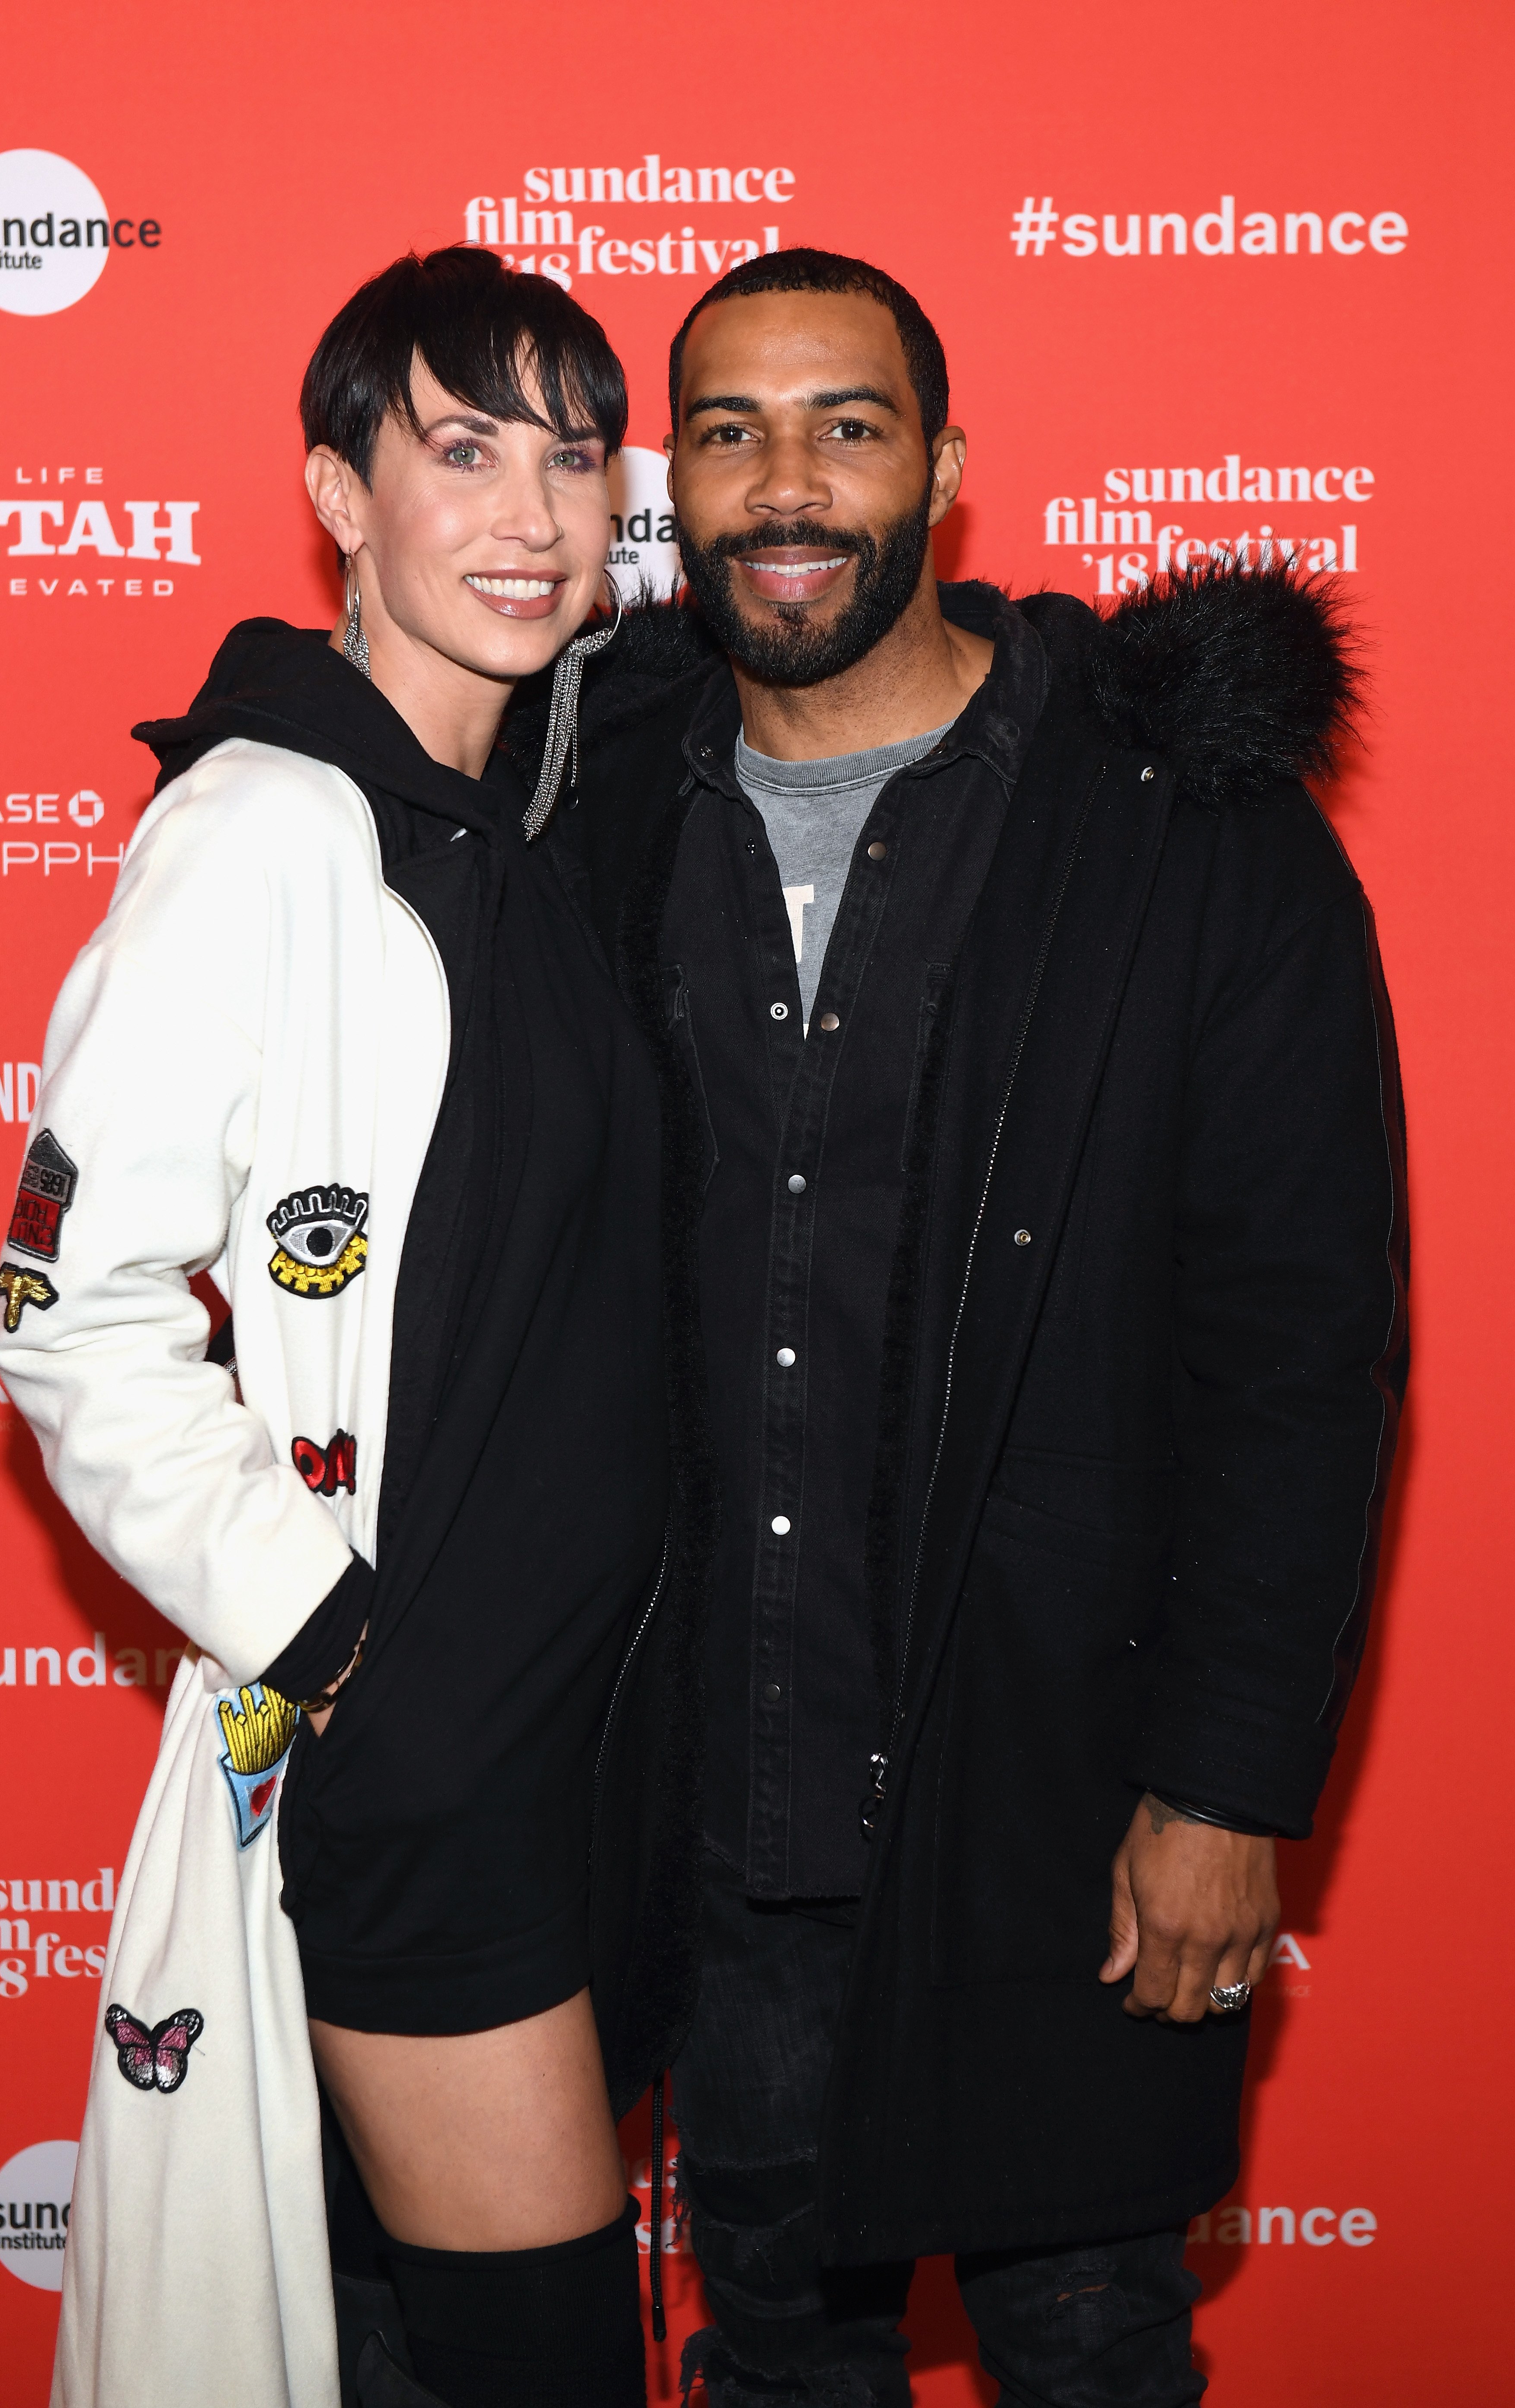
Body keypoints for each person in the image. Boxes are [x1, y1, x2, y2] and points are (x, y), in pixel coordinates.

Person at [532, 250, 1407, 2407]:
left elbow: (1301, 1350)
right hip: (725, 1818)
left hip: (1056, 1803)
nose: (787, 483)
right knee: (772, 2359)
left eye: (847, 423)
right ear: (674, 487)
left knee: (1094, 2353)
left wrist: (1221, 1786)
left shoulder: (1179, 837)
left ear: (947, 465)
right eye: (726, 431)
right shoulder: (600, 805)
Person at [0, 247, 668, 2408]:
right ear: (336, 494)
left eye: (573, 458)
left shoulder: (533, 833)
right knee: (544, 2358)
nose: (530, 516)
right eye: (459, 452)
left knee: (416, 2348)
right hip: (435, 1761)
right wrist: (339, 1642)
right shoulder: (264, 827)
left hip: (595, 1760)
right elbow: (69, 1310)